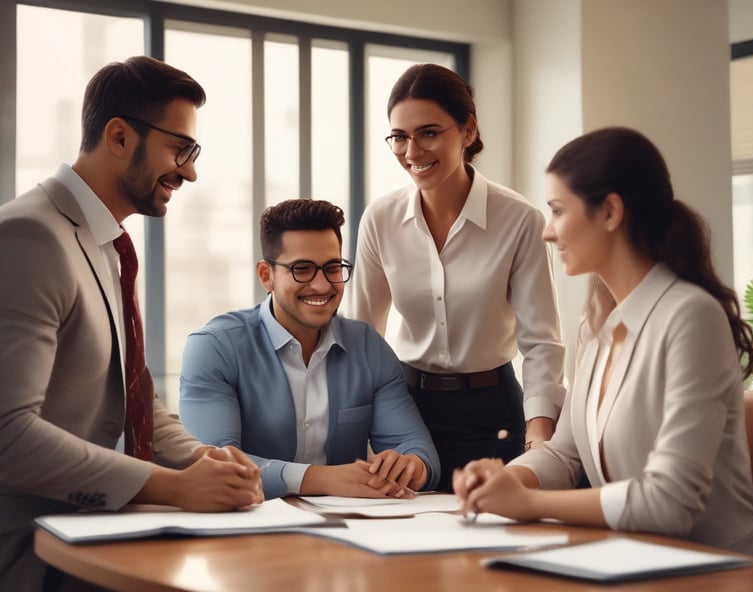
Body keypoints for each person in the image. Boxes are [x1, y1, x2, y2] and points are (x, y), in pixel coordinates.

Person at [0, 56, 263, 591]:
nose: (189, 171)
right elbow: (7, 435)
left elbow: (133, 391)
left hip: (93, 529)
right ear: (119, 136)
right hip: (33, 545)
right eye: (180, 149)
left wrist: (199, 459)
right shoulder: (29, 237)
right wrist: (173, 488)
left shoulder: (107, 244)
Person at [453, 127, 753, 558]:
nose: (548, 232)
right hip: (633, 562)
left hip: (723, 570)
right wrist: (509, 480)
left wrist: (528, 504)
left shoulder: (691, 317)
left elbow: (670, 501)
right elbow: (565, 455)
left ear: (609, 212)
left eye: (558, 211)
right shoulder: (597, 325)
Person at [346, 63, 566, 491]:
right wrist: (355, 426)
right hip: (405, 411)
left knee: (488, 536)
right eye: (400, 137)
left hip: (492, 410)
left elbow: (541, 342)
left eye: (428, 132)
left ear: (468, 131)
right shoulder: (380, 219)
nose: (412, 152)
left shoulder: (519, 220)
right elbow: (361, 335)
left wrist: (540, 436)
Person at [179, 198, 440, 500]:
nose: (321, 285)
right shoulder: (214, 347)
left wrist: (410, 466)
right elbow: (215, 463)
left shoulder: (368, 347)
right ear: (267, 275)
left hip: (351, 526)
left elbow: (418, 450)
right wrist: (320, 480)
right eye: (302, 269)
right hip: (248, 524)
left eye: (332, 268)